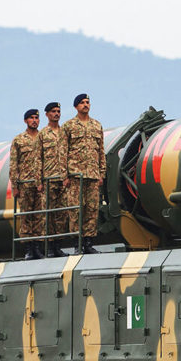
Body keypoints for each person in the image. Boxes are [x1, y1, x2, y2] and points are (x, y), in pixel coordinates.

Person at [61, 93, 105, 254]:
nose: (86, 105)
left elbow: (101, 151)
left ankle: (88, 242)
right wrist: (64, 175)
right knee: (76, 210)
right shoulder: (68, 126)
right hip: (75, 175)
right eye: (82, 103)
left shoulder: (96, 125)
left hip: (93, 175)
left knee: (92, 209)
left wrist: (102, 174)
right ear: (76, 107)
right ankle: (77, 244)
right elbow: (62, 152)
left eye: (88, 102)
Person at [10, 108, 45, 260]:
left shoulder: (43, 137)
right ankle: (28, 249)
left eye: (36, 118)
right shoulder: (19, 140)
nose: (34, 120)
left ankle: (37, 247)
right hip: (25, 184)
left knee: (39, 217)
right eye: (31, 118)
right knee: (26, 217)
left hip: (41, 184)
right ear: (26, 121)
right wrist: (14, 185)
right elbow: (13, 164)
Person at [39, 101, 67, 258]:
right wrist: (39, 181)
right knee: (48, 214)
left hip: (62, 179)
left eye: (58, 111)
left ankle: (58, 246)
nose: (56, 114)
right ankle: (49, 247)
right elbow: (37, 159)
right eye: (53, 111)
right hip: (48, 179)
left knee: (61, 215)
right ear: (47, 114)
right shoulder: (43, 135)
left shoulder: (64, 133)